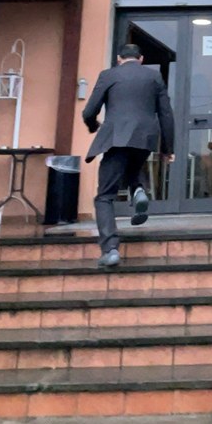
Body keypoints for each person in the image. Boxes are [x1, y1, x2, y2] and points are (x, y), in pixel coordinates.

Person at [82, 43, 175, 268]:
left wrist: (93, 125)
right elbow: (166, 114)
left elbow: (89, 111)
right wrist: (167, 148)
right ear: (141, 58)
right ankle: (138, 190)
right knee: (133, 166)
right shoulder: (154, 77)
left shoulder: (108, 75)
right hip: (145, 138)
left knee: (104, 196)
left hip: (116, 137)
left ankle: (110, 249)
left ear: (118, 58)